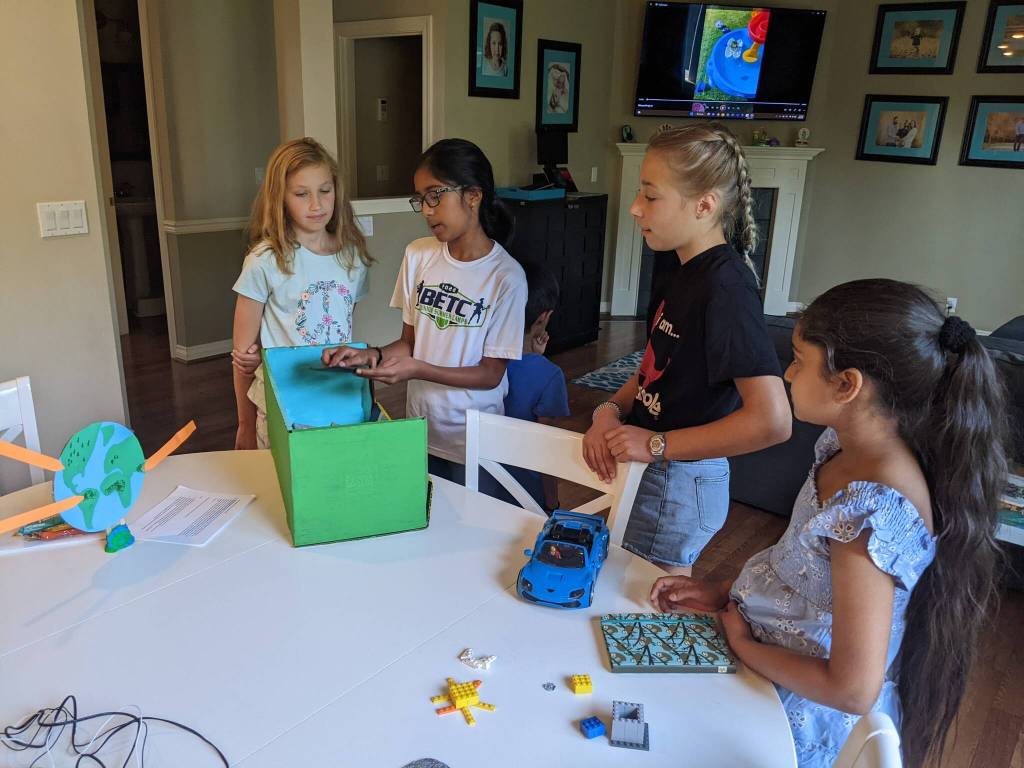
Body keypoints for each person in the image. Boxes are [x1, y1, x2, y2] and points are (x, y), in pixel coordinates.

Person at [650, 279, 1007, 768]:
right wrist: (727, 591)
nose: (787, 371)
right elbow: (798, 569)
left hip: (791, 722)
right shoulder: (839, 450)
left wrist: (739, 643)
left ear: (847, 384)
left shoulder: (871, 513)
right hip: (762, 659)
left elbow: (852, 689)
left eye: (798, 360)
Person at [582, 123, 792, 576]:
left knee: (644, 610)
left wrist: (656, 444)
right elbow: (656, 367)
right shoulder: (680, 270)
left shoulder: (727, 286)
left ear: (705, 204)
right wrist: (609, 411)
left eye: (651, 196)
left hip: (677, 481)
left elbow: (772, 421)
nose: (635, 209)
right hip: (653, 468)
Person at [321, 139, 527, 487]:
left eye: (436, 195)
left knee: (468, 532)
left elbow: (491, 375)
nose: (427, 210)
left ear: (473, 196)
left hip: (474, 440)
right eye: (421, 199)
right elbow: (410, 342)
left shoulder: (505, 277)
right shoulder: (418, 255)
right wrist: (370, 354)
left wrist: (418, 369)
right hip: (421, 427)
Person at [231, 137, 372, 450]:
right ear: (281, 198)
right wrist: (244, 425)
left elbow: (345, 334)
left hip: (339, 403)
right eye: (301, 194)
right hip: (283, 408)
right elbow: (242, 358)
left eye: (325, 191)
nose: (316, 205)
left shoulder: (353, 258)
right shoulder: (265, 260)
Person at [500, 260, 570, 512]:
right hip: (525, 499)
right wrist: (552, 504)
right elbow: (545, 452)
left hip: (478, 485)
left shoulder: (477, 361)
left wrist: (535, 355)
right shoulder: (550, 376)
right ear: (544, 317)